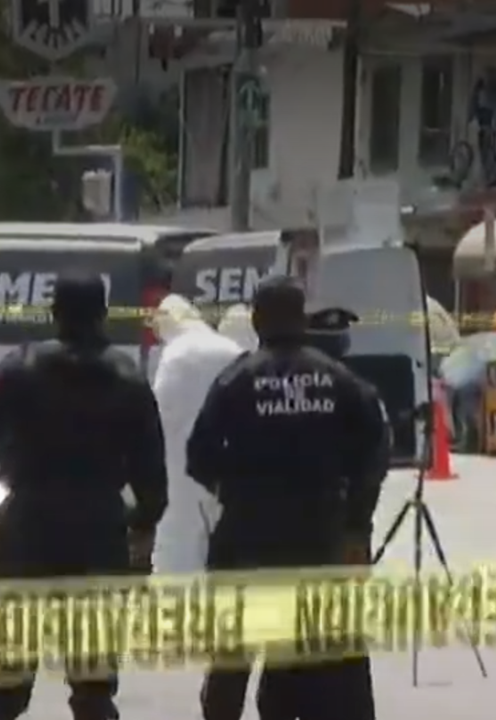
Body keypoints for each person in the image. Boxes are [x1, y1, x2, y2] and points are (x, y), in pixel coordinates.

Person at [0, 271, 169, 720]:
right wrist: (143, 523)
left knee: (4, 678)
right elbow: (151, 473)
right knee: (93, 685)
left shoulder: (19, 366)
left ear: (54, 312)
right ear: (103, 314)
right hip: (98, 528)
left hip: (28, 526)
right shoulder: (128, 377)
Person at [186, 276, 388, 720]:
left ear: (257, 320)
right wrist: (356, 521)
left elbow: (198, 456)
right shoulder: (339, 379)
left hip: (246, 537)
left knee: (231, 659)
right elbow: (375, 450)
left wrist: (234, 487)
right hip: (320, 537)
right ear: (302, 320)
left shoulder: (236, 379)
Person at [150, 294, 243, 575]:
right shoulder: (232, 349)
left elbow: (159, 416)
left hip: (179, 464)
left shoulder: (176, 355)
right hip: (224, 462)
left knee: (179, 540)